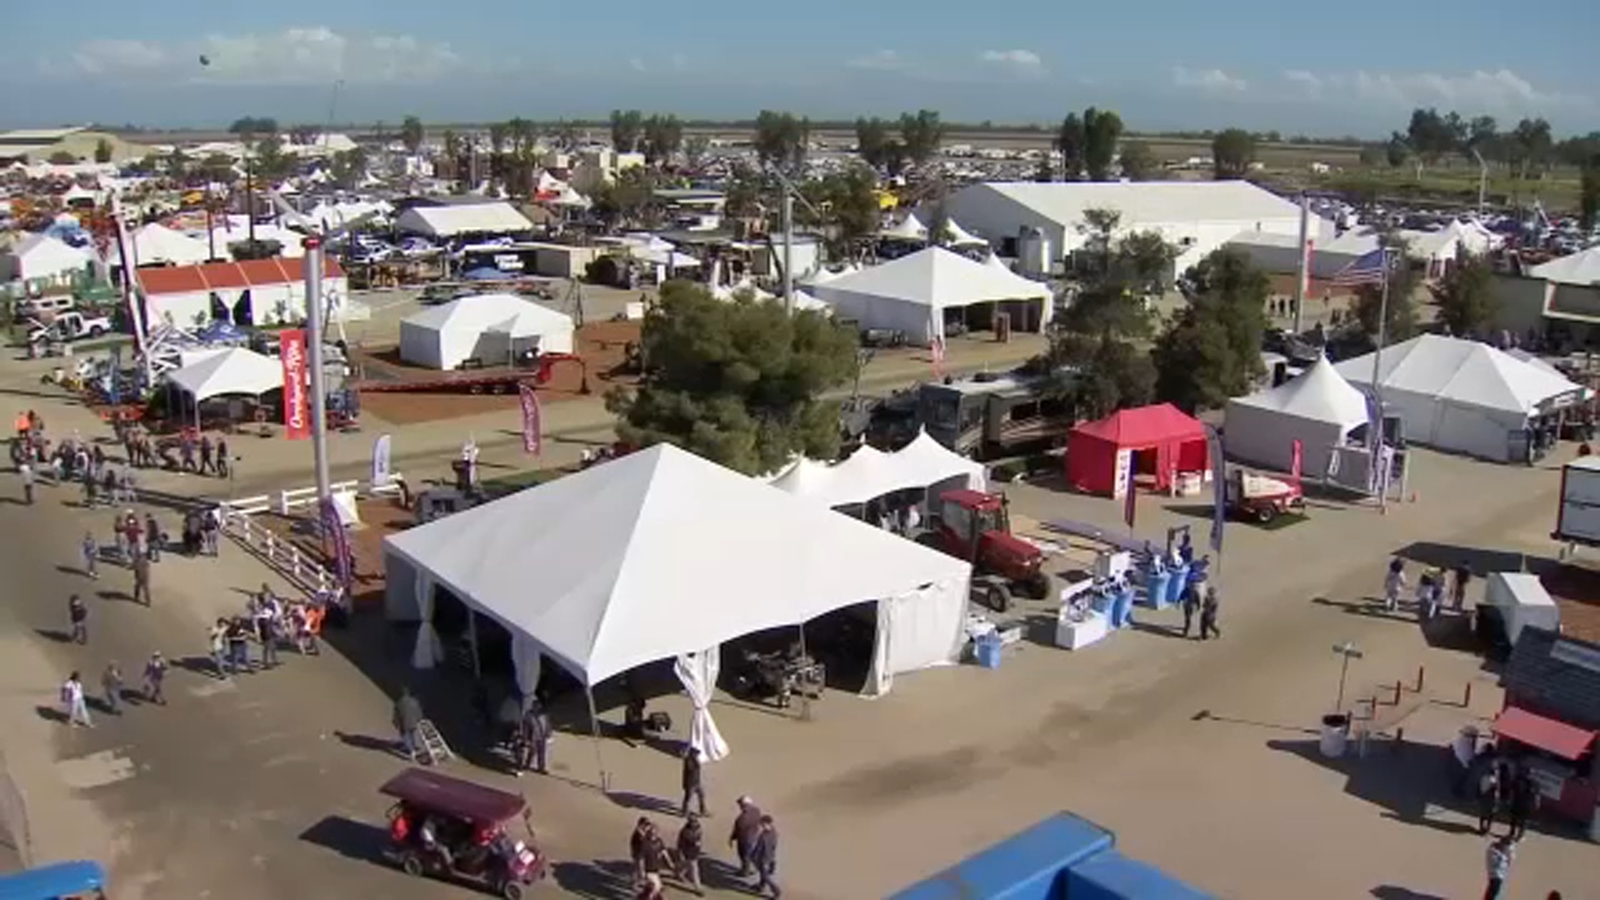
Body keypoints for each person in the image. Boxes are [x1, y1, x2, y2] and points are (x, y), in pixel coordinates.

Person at [730, 796, 763, 876]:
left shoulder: (742, 818)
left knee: (744, 855)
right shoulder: (757, 811)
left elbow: (738, 830)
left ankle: (745, 871)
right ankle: (753, 868)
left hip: (744, 839)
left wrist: (732, 838)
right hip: (755, 836)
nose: (740, 807)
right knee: (752, 854)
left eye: (741, 805)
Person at [750, 815, 780, 898]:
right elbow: (773, 847)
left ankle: (776, 891)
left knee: (765, 876)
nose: (761, 826)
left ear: (767, 823)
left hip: (763, 859)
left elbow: (759, 849)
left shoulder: (764, 837)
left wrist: (753, 857)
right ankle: (761, 886)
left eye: (762, 824)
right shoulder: (774, 832)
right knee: (764, 873)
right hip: (771, 857)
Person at [675, 813, 704, 895]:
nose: (694, 823)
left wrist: (698, 847)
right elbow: (680, 843)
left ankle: (698, 888)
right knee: (684, 865)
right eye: (692, 821)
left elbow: (699, 839)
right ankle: (679, 874)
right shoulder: (685, 831)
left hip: (694, 854)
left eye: (695, 821)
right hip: (686, 852)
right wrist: (680, 853)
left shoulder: (699, 829)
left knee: (694, 870)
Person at [519, 701, 551, 775]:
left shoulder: (544, 715)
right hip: (533, 737)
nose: (537, 708)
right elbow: (526, 728)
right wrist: (525, 738)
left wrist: (548, 733)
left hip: (542, 737)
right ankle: (527, 765)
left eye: (538, 707)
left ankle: (541, 768)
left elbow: (547, 724)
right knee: (532, 752)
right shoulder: (529, 716)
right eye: (536, 707)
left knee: (541, 753)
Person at [394, 687, 424, 761]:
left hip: (405, 722)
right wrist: (419, 719)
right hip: (414, 722)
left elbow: (397, 714)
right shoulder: (414, 701)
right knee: (413, 734)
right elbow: (419, 712)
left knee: (406, 737)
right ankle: (416, 747)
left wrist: (396, 722)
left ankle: (411, 751)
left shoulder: (399, 703)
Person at [1507, 770, 1537, 840]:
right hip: (1525, 804)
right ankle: (1519, 835)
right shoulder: (1534, 783)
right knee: (1522, 820)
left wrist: (1510, 799)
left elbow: (1511, 791)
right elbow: (1536, 795)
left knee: (1515, 818)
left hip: (1518, 802)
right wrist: (1535, 804)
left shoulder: (1518, 780)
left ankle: (1513, 833)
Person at [1484, 834, 1516, 899]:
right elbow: (1500, 864)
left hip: (1498, 877)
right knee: (1492, 895)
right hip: (1495, 876)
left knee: (1492, 894)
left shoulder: (1504, 853)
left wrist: (1510, 848)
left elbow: (1511, 860)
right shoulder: (1492, 851)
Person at [680, 744, 707, 817]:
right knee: (688, 798)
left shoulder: (693, 759)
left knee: (702, 795)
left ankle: (703, 811)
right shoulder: (689, 761)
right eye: (696, 754)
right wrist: (696, 762)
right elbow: (691, 769)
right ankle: (684, 812)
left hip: (697, 782)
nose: (698, 755)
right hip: (690, 784)